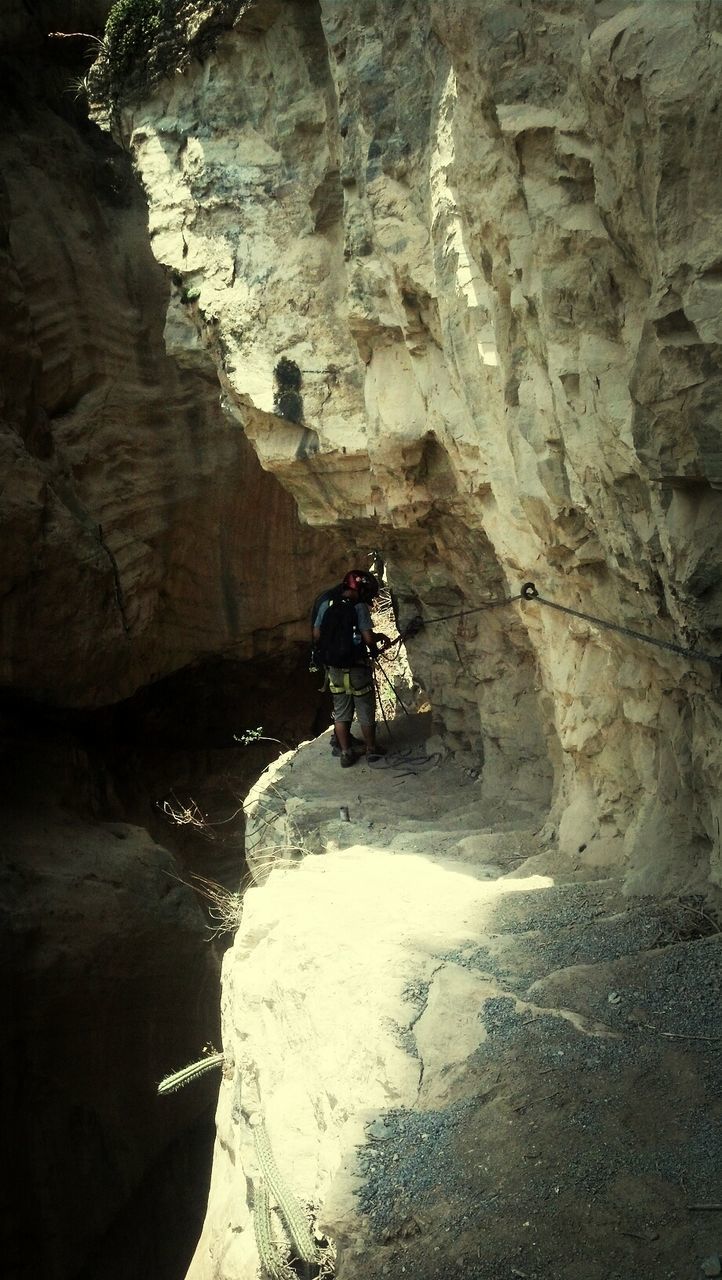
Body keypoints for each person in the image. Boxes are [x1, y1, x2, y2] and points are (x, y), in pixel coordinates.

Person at [313, 569, 388, 768]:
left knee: (341, 710)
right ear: (361, 589)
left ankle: (346, 753)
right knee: (364, 707)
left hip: (334, 669)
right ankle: (371, 749)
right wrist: (377, 641)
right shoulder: (359, 607)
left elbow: (317, 634)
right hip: (356, 667)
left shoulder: (327, 604)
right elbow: (368, 638)